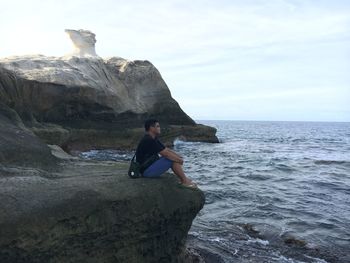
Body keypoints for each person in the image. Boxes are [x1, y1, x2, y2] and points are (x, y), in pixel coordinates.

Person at [135, 118, 198, 188]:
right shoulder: (149, 140)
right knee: (172, 160)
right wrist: (179, 160)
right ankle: (184, 181)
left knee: (174, 158)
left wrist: (178, 156)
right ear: (151, 128)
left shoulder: (153, 138)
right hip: (145, 171)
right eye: (158, 126)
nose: (159, 128)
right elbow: (165, 154)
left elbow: (166, 149)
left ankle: (184, 179)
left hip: (148, 167)